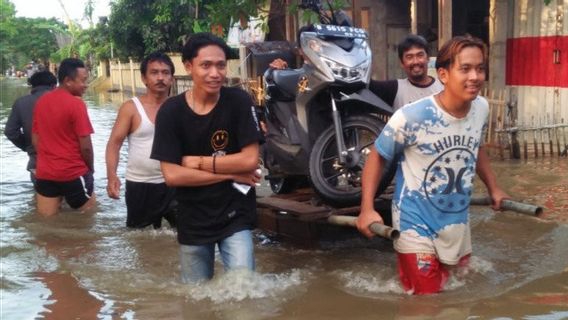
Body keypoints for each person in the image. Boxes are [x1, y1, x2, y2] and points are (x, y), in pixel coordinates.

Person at [356, 35, 509, 295]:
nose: (474, 76)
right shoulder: (411, 116)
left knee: (456, 295)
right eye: (465, 69)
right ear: (443, 74)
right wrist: (367, 209)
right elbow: (377, 156)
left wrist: (494, 188)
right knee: (426, 302)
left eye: (480, 68)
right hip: (415, 223)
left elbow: (476, 147)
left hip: (456, 221)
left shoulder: (480, 108)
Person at [151, 33, 263, 283]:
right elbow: (173, 175)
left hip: (236, 212)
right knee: (196, 297)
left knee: (244, 289)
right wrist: (232, 172)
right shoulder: (171, 112)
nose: (215, 73)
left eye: (221, 65)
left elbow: (250, 161)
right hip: (193, 217)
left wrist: (200, 162)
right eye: (206, 65)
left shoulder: (239, 101)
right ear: (189, 67)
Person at [105, 52, 177, 229]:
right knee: (141, 239)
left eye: (165, 72)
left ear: (172, 79)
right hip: (140, 184)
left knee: (183, 236)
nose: (160, 77)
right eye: (154, 72)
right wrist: (111, 176)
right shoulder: (131, 108)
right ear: (144, 78)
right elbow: (114, 144)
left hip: (175, 182)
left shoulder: (179, 107)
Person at [32, 58, 96, 216]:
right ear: (68, 80)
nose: (86, 85)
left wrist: (48, 160)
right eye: (83, 81)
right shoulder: (77, 105)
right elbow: (86, 147)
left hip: (45, 174)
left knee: (47, 224)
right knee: (90, 222)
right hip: (73, 173)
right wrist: (90, 169)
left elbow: (35, 138)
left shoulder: (42, 102)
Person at [4, 70, 57, 183]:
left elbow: (10, 132)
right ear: (53, 86)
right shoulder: (67, 101)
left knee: (40, 197)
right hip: (66, 163)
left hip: (37, 162)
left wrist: (28, 146)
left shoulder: (20, 103)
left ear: (32, 86)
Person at [369, 34, 443, 110]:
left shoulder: (444, 87)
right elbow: (365, 86)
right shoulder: (395, 89)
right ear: (402, 62)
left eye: (420, 55)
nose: (415, 62)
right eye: (409, 57)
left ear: (427, 58)